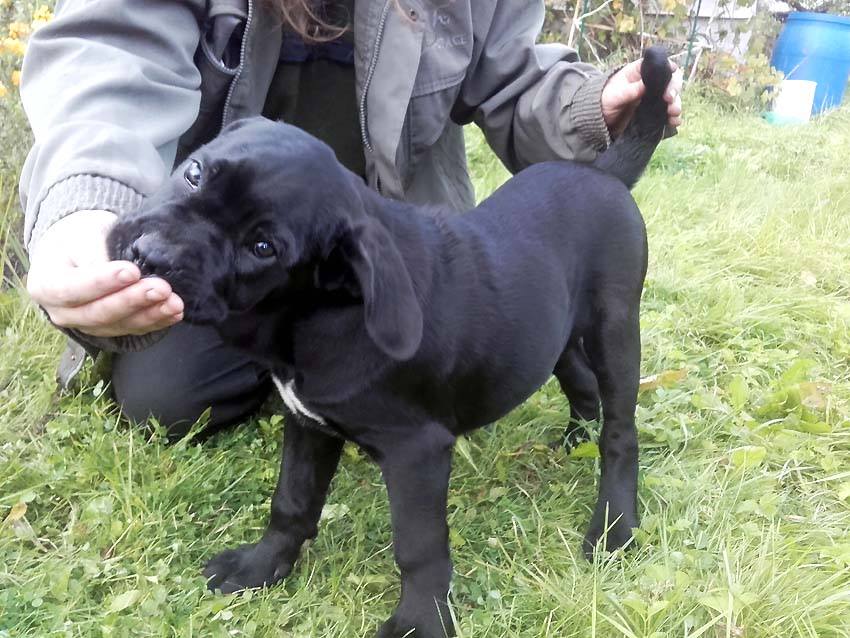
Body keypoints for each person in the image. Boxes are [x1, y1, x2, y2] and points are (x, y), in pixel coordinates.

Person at [20, 0, 683, 437]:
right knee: (165, 399)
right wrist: (88, 203)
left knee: (413, 356)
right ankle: (299, 361)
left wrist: (587, 105)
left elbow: (512, 77)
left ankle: (326, 358)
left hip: (392, 233)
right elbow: (111, 50)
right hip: (222, 241)